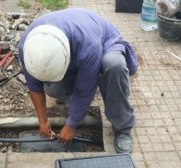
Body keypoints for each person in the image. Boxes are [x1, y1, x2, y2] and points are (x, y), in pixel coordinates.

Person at [18, 7, 138, 153]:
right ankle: (69, 94)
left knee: (114, 66)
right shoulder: (28, 45)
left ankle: (122, 127)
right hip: (74, 46)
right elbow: (34, 86)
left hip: (104, 41)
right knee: (54, 89)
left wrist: (71, 125)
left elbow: (85, 91)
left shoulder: (88, 46)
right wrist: (42, 121)